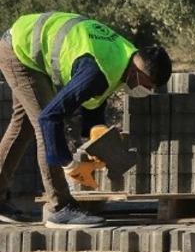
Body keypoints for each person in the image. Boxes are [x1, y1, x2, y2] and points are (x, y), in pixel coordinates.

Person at [0, 12, 172, 228]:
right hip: (19, 50)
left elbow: (93, 103)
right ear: (140, 73)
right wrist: (70, 164)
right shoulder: (98, 71)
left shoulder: (125, 58)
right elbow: (49, 119)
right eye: (148, 86)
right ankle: (60, 207)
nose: (147, 91)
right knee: (42, 125)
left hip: (24, 41)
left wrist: (99, 137)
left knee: (24, 123)